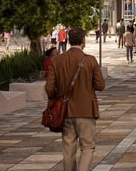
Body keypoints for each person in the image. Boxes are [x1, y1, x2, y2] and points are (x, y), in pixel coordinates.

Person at [46, 27, 106, 171]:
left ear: (67, 40)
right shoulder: (90, 60)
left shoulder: (58, 60)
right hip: (86, 110)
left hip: (65, 111)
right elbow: (100, 85)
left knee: (68, 149)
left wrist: (59, 95)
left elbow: (49, 88)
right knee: (87, 147)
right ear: (83, 40)